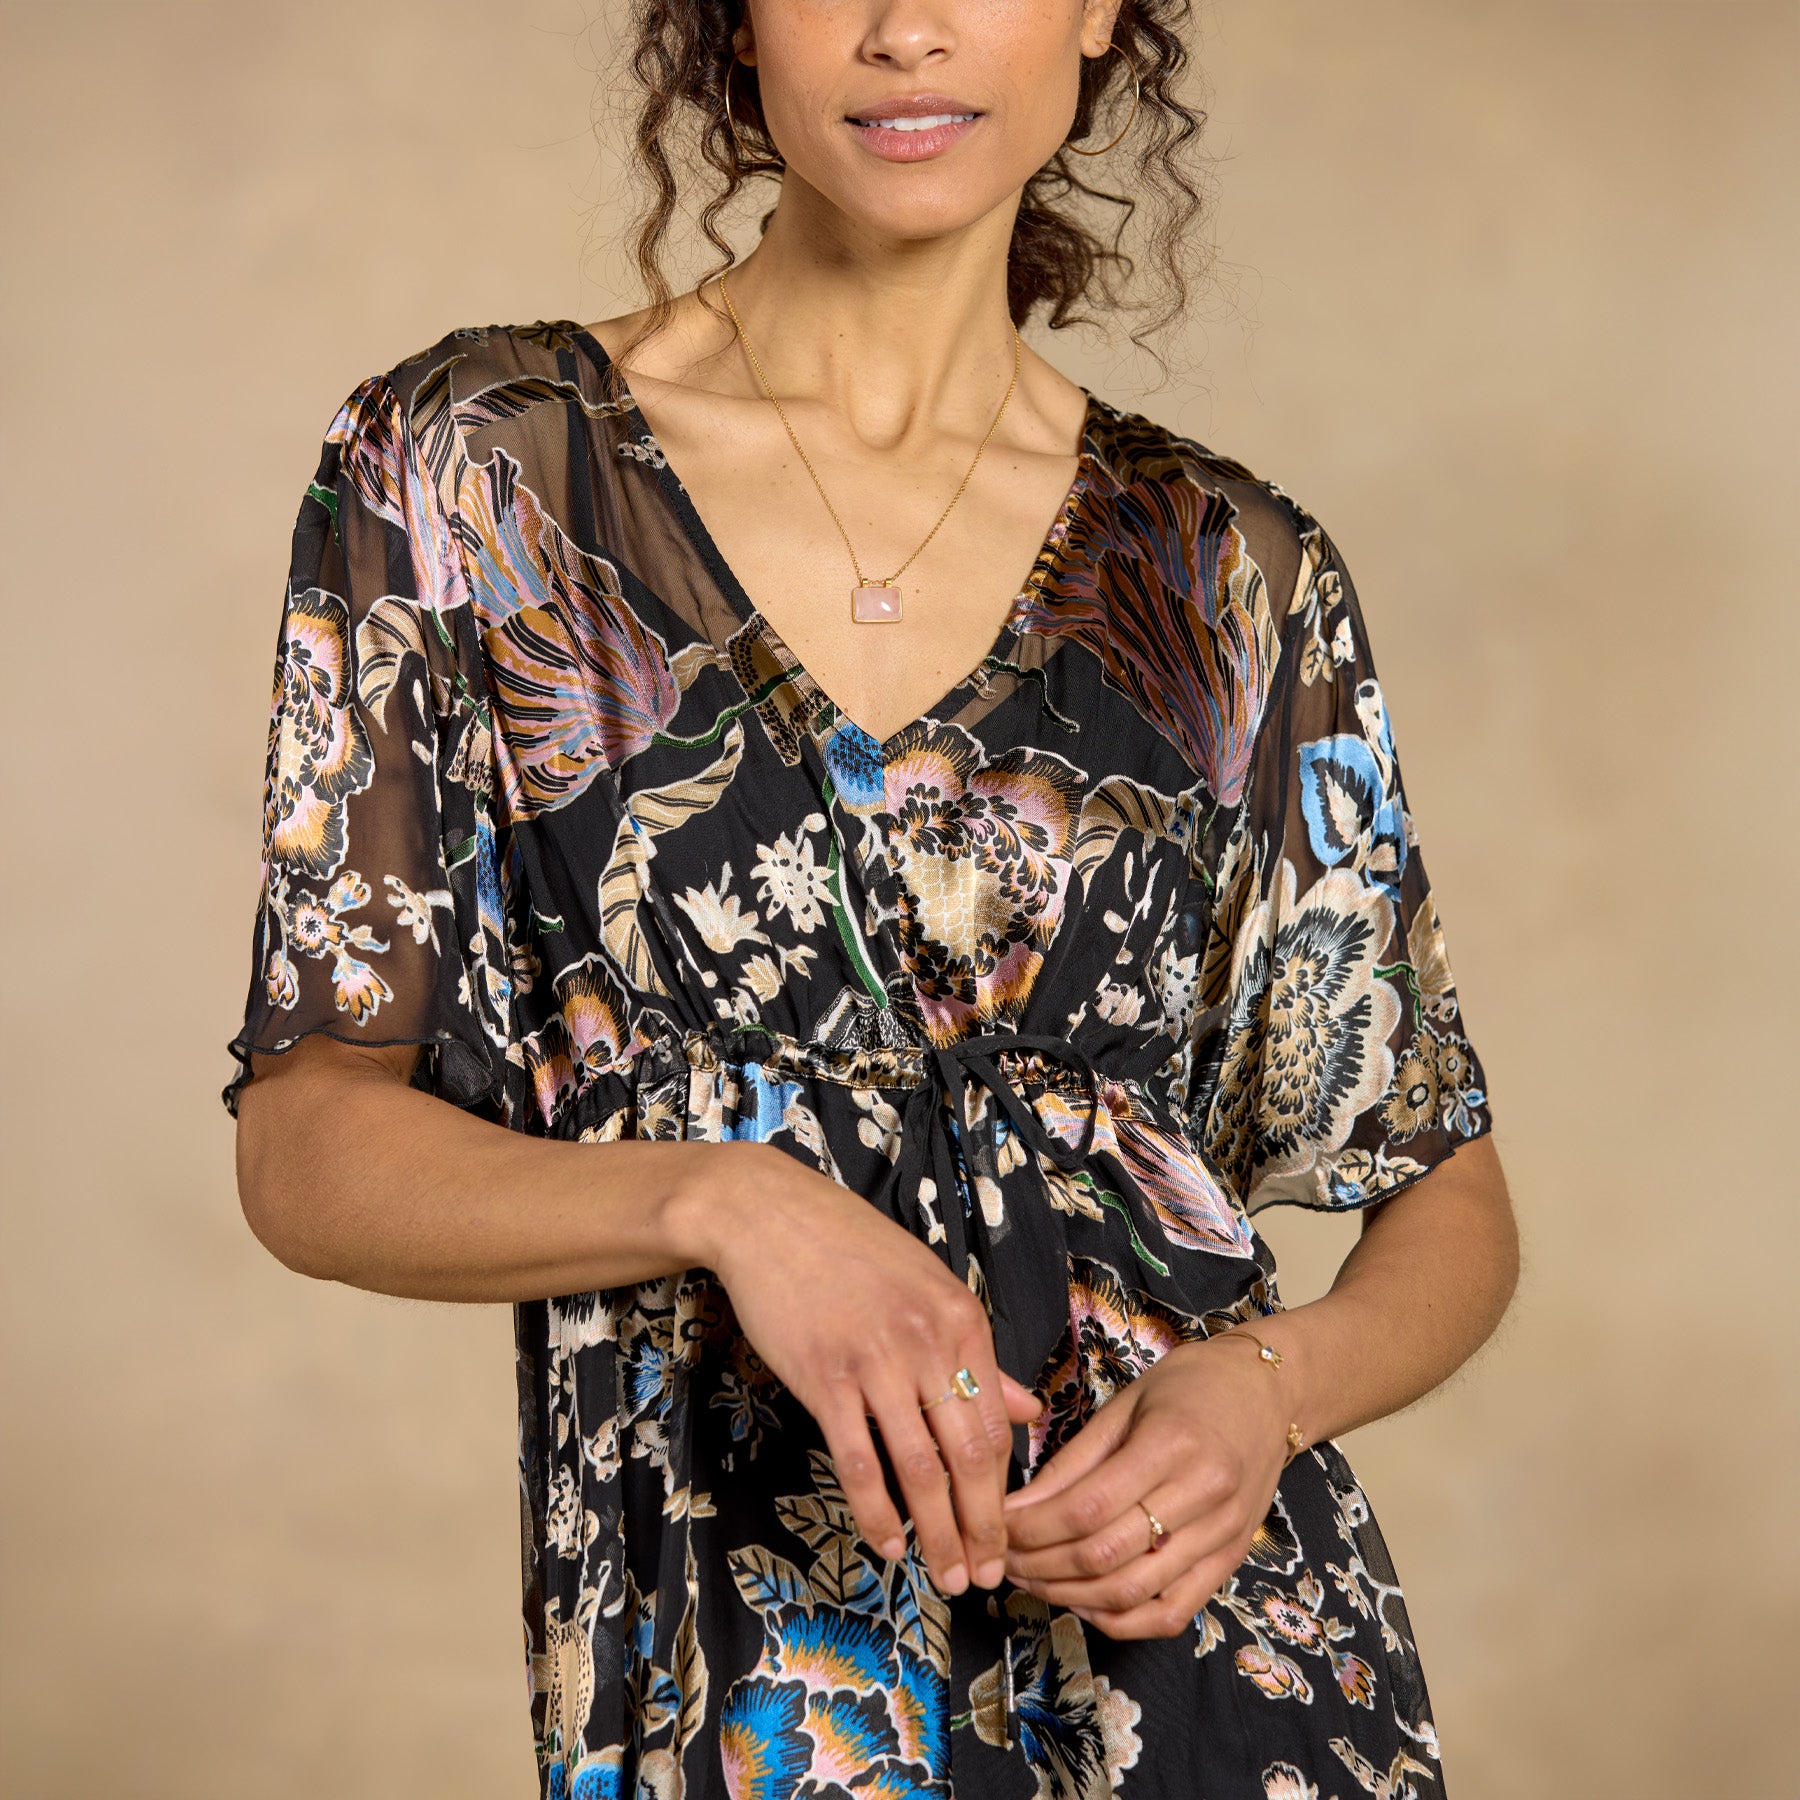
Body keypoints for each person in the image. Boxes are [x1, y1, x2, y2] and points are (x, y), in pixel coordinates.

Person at [224, 3, 1519, 1794]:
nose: (909, 30)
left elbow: (1449, 1198)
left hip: (1205, 1664)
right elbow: (308, 1148)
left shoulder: (1233, 573)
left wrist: (1265, 1395)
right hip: (745, 1687)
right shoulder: (474, 471)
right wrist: (724, 1201)